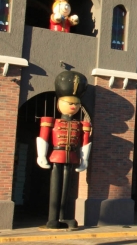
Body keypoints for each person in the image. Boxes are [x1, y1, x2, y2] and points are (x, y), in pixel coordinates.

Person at [36, 71, 91, 229]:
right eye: (69, 102)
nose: (73, 106)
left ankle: (64, 216)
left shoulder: (81, 125)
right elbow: (44, 137)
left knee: (68, 186)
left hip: (72, 155)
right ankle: (53, 217)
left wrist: (84, 159)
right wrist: (41, 155)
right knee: (55, 186)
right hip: (56, 154)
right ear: (59, 103)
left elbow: (84, 142)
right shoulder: (51, 121)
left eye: (76, 103)